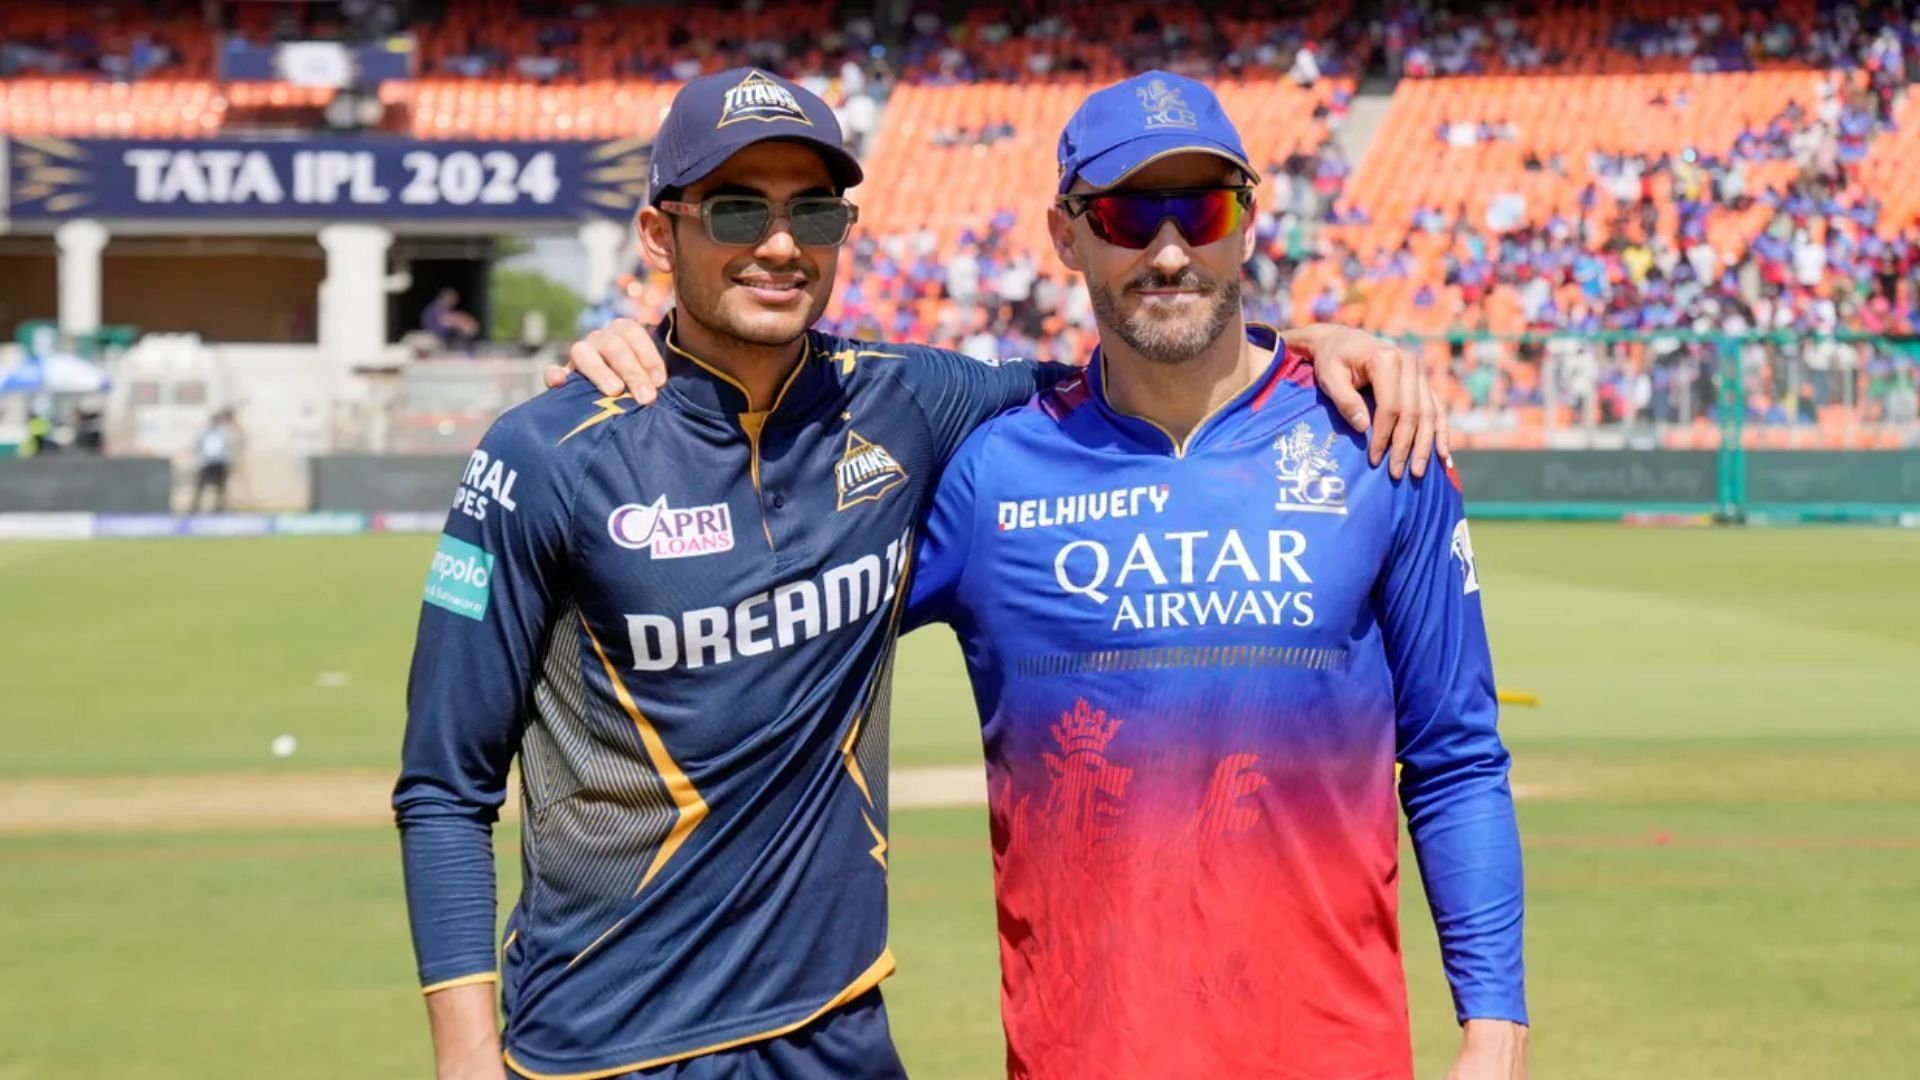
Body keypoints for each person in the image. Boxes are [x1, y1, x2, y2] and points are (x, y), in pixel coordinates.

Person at [409, 68, 1442, 1080]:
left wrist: (1305, 347)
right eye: (735, 210)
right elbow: (446, 787)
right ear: (657, 234)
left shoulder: (909, 402)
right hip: (606, 1041)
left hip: (836, 1029)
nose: (779, 244)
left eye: (814, 212)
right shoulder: (544, 452)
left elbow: (1155, 363)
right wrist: (466, 1059)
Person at [906, 73, 1527, 1078]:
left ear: (1247, 221)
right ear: (1067, 236)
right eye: (1124, 213)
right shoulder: (992, 473)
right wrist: (654, 370)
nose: (1166, 250)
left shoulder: (1375, 441)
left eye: (1199, 210)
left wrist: (1493, 1033)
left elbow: (1456, 755)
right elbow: (795, 642)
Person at [191, 408, 237, 512]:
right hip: (207, 463)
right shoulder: (203, 432)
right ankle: (195, 508)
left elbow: (228, 448)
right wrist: (198, 461)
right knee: (200, 486)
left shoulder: (224, 433)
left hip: (220, 463)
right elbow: (198, 446)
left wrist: (229, 462)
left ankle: (218, 508)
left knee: (221, 488)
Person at [423, 287, 482, 352]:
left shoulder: (447, 308)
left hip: (445, 335)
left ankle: (468, 349)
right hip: (436, 335)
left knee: (468, 327)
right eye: (453, 299)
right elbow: (445, 322)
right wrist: (461, 322)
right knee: (466, 328)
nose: (455, 302)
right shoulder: (436, 308)